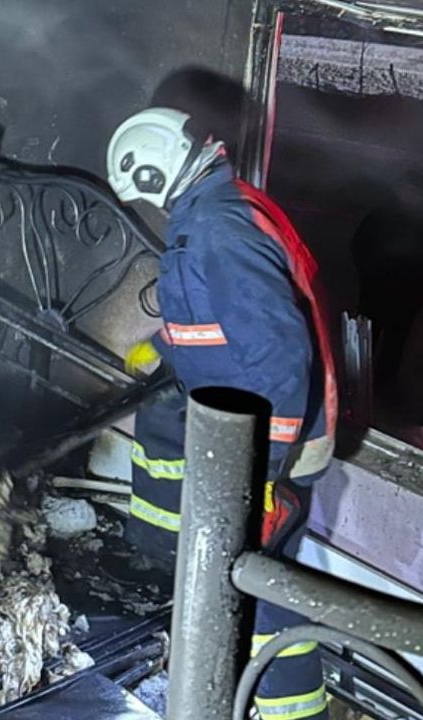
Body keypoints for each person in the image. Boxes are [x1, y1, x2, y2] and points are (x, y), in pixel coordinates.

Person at [108, 107, 336, 720]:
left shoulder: (218, 230)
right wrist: (163, 349)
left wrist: (263, 469)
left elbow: (281, 357)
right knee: (236, 573)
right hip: (246, 429)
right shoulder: (207, 216)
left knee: (261, 587)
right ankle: (211, 644)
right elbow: (223, 325)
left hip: (272, 443)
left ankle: (292, 710)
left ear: (153, 174)